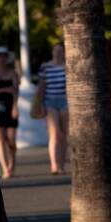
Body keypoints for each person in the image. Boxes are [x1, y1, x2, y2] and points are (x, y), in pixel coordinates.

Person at [0, 46, 19, 180]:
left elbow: (15, 91)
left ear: (7, 58)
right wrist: (6, 89)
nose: (1, 58)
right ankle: (5, 168)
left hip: (10, 107)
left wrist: (15, 107)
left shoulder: (12, 73)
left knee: (10, 140)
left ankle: (12, 160)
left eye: (3, 56)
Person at [40, 43, 69, 174]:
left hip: (65, 101)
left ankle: (62, 165)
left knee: (64, 135)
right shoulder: (45, 67)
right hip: (50, 101)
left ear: (63, 52)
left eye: (60, 51)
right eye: (55, 50)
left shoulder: (67, 67)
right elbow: (41, 86)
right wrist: (41, 103)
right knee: (54, 134)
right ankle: (54, 165)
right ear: (52, 52)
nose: (58, 53)